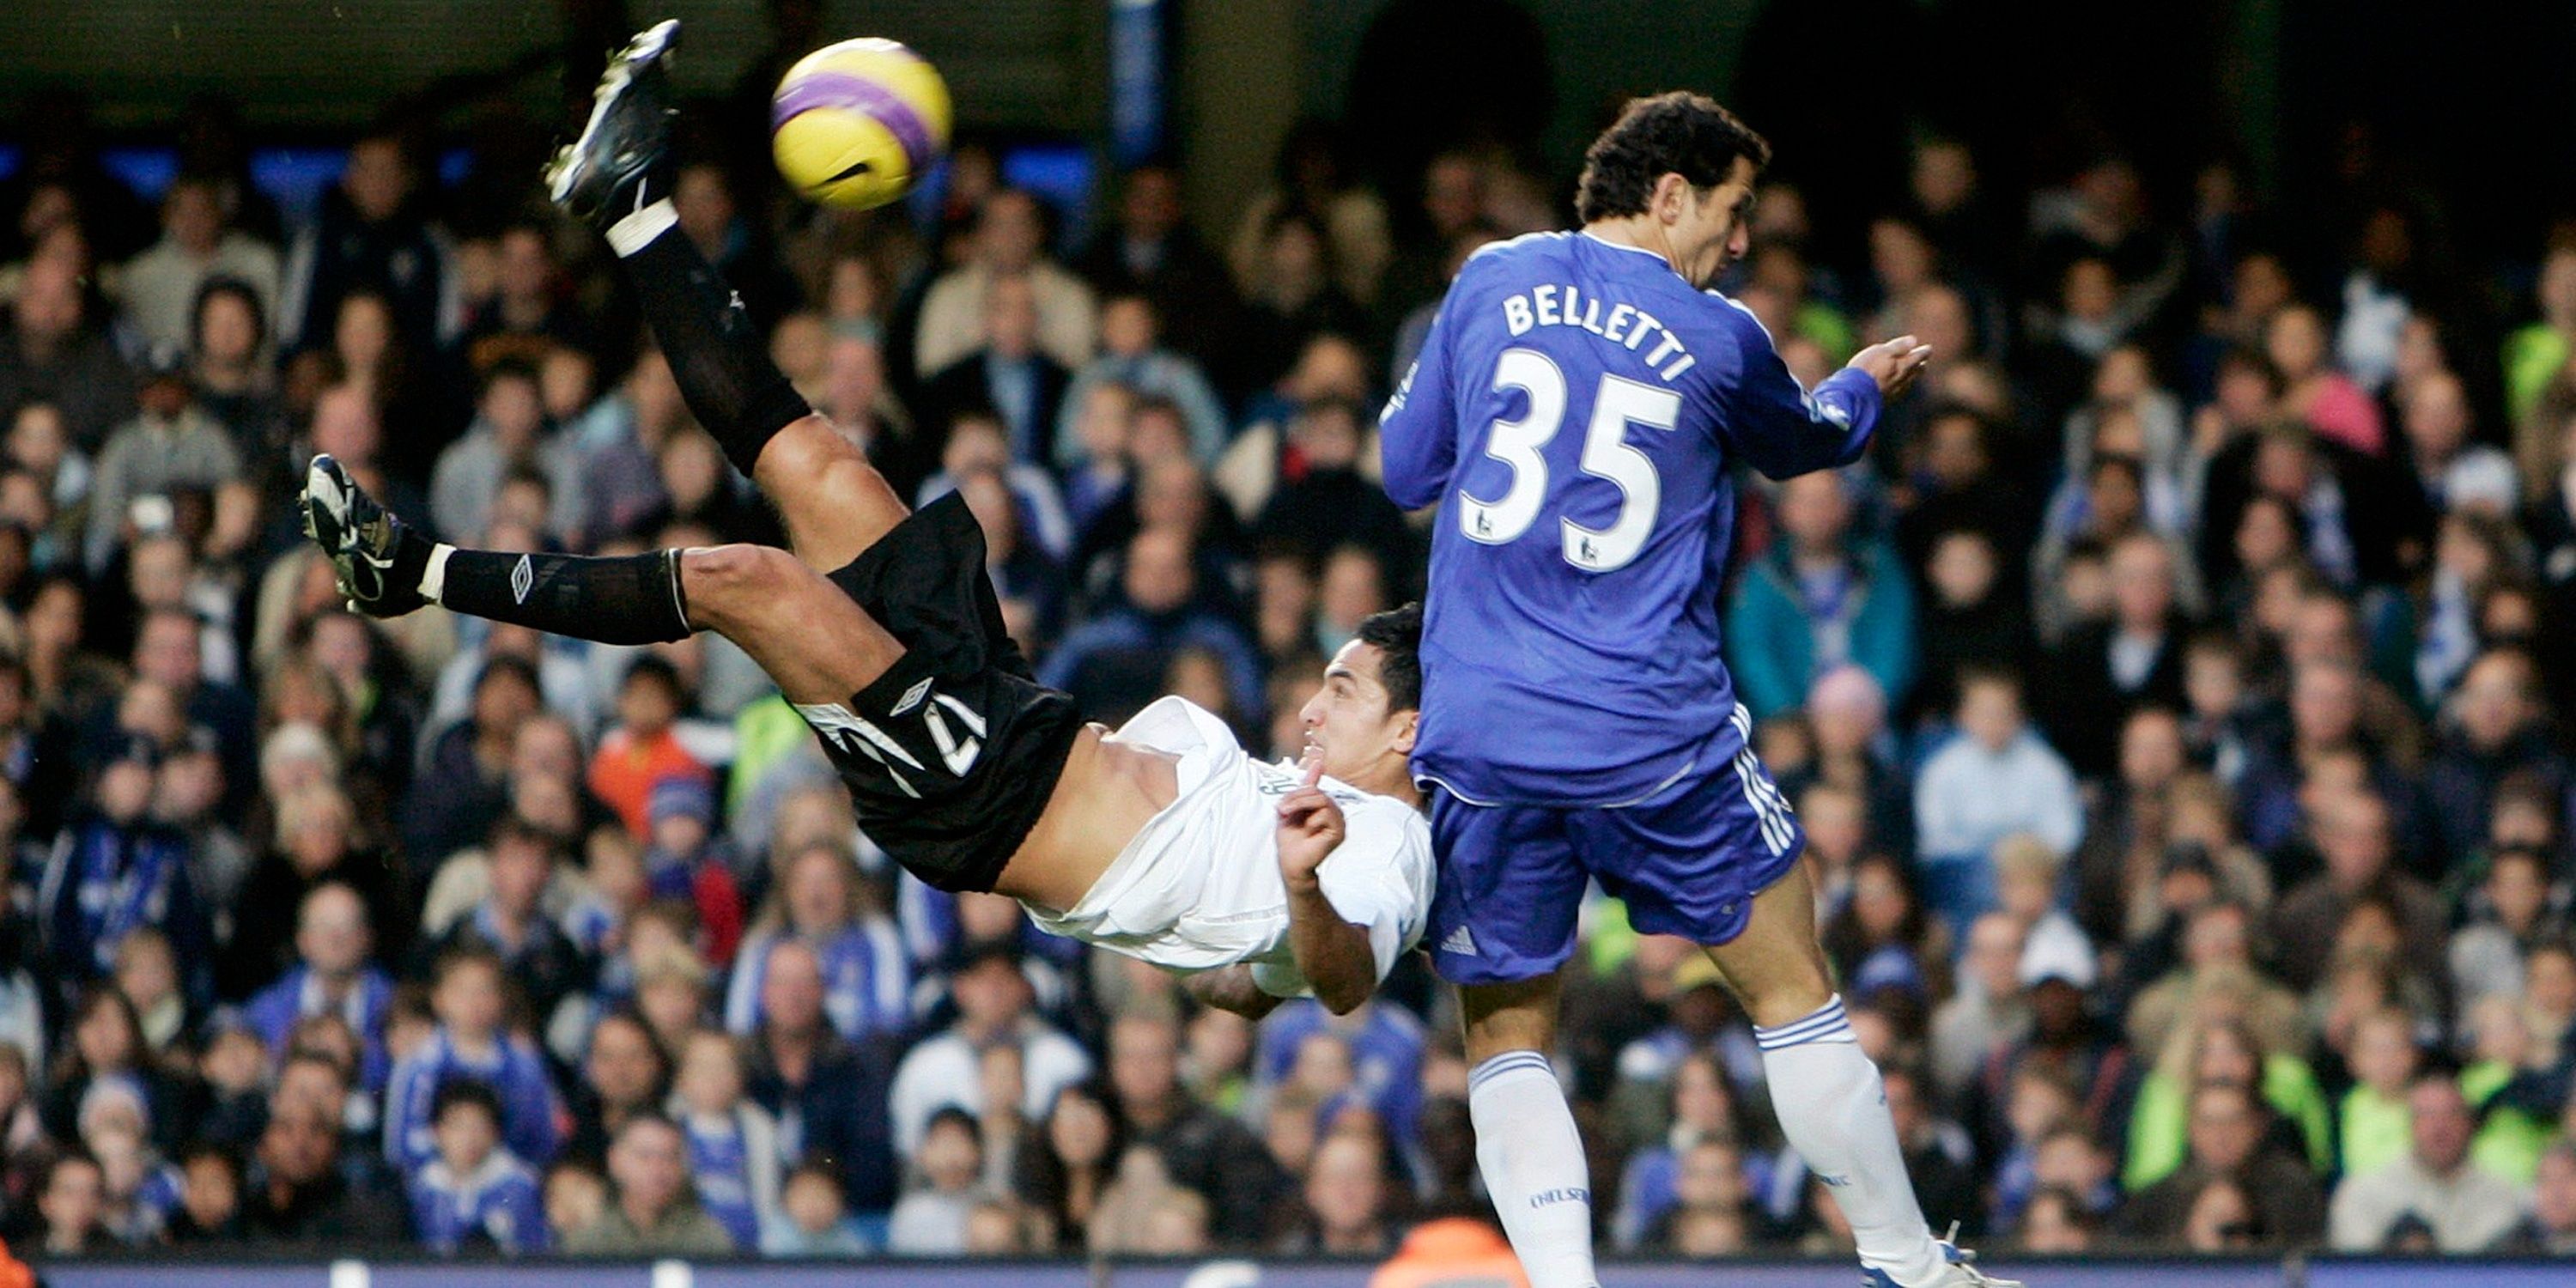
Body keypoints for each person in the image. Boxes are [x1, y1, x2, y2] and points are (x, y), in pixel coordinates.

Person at [303, 21, 1431, 1020]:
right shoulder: (1289, 800)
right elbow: (1262, 987)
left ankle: (411, 574)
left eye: (1343, 690)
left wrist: (1291, 903)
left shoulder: (1384, 847)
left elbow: (1346, 978)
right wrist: (1234, 967)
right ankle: (623, 200)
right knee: (822, 465)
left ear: (1407, 737)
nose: (1311, 700)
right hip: (1006, 709)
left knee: (754, 581)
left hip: (980, 798)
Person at [1373, 91, 1996, 1288]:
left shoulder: (1489, 281)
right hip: (1651, 734)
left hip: (1483, 732)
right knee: (1792, 992)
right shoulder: (1720, 334)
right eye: (1734, 208)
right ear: (1668, 197)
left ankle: (1563, 1285)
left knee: (1508, 1034)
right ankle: (1913, 1267)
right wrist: (1865, 383)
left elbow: (1408, 467)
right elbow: (1811, 439)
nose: (1744, 240)